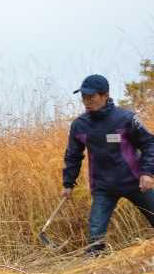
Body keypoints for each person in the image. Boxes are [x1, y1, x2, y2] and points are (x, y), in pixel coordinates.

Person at [62, 74, 154, 255]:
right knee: (95, 237)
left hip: (135, 182)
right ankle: (93, 272)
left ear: (105, 95)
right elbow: (73, 155)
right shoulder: (80, 125)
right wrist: (68, 183)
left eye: (91, 97)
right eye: (83, 98)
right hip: (104, 187)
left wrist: (148, 173)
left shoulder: (126, 119)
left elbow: (149, 143)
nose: (87, 102)